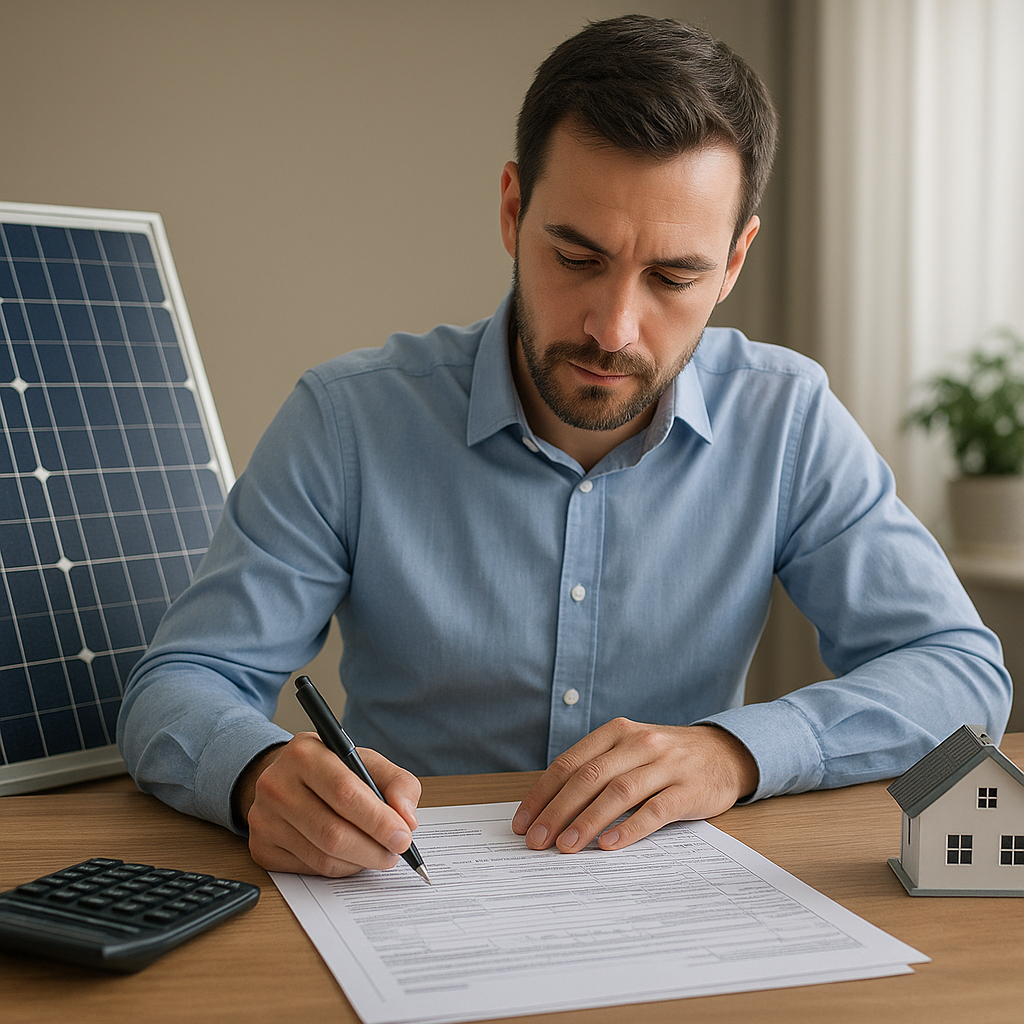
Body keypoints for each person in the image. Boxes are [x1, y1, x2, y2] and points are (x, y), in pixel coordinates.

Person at [117, 15, 1011, 878]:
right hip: (406, 905)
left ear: (734, 263)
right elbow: (183, 680)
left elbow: (959, 672)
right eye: (577, 258)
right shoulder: (348, 420)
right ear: (513, 210)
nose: (613, 328)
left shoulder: (787, 417)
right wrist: (256, 775)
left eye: (674, 276)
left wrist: (736, 753)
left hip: (678, 914)